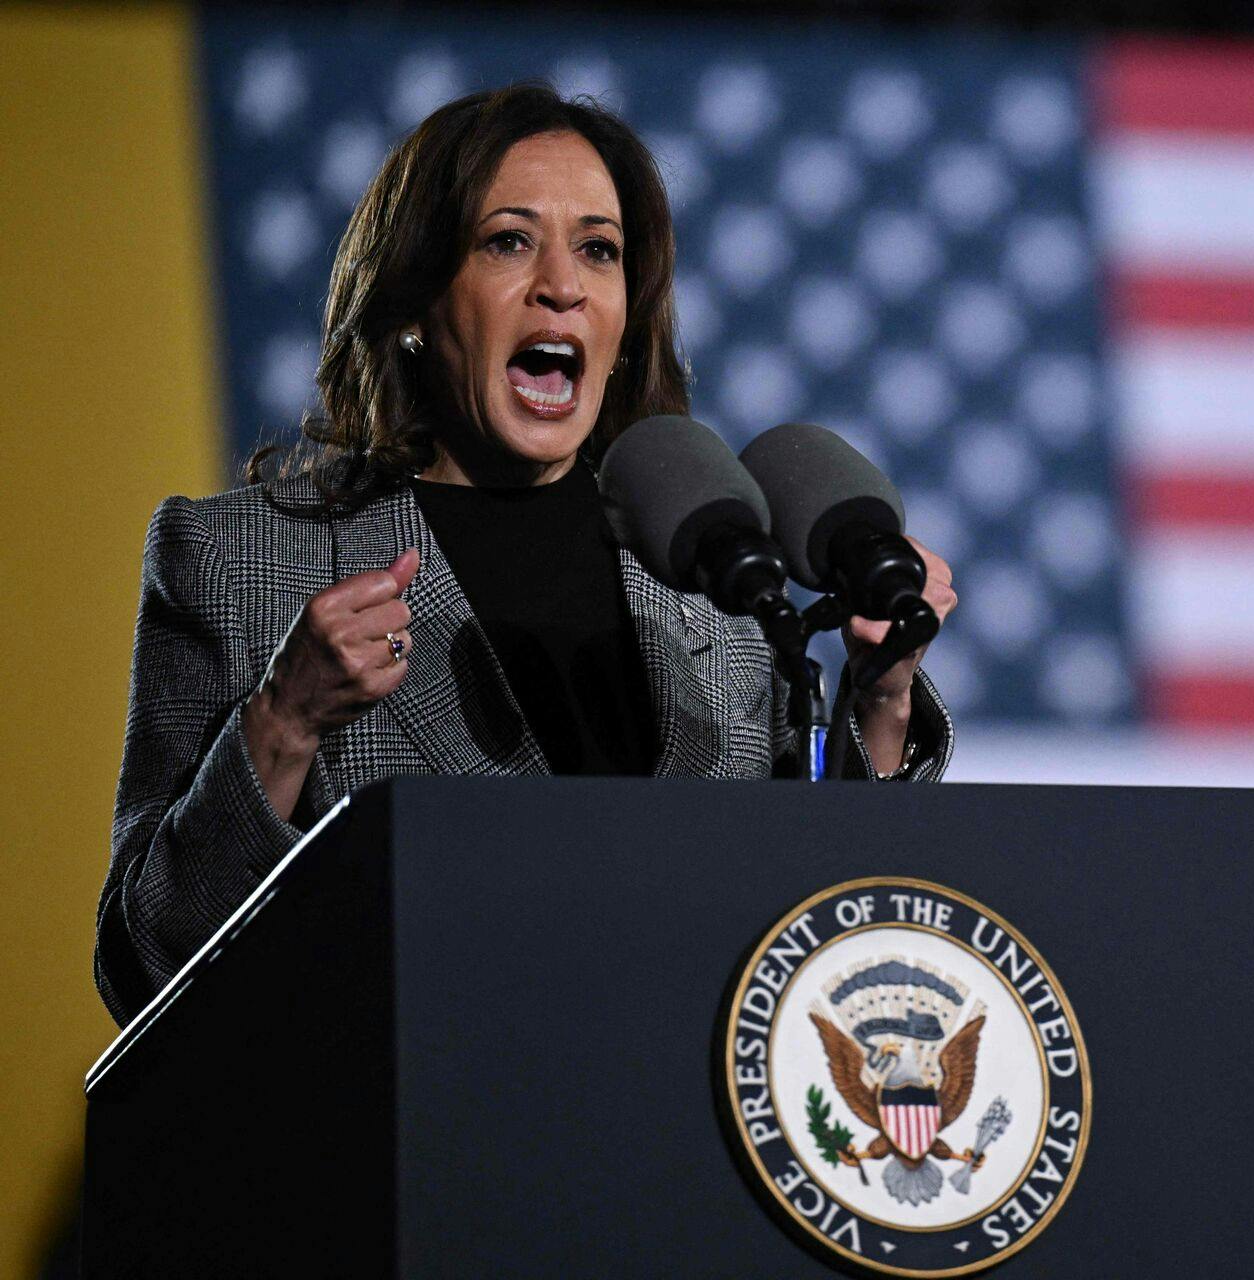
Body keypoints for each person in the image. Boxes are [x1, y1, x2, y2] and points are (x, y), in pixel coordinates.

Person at [94, 84, 957, 1027]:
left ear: (629, 321)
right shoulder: (237, 559)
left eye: (599, 250)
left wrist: (881, 699)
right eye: (508, 241)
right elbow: (145, 963)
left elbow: (832, 932)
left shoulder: (713, 576)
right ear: (417, 300)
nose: (563, 285)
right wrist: (284, 723)